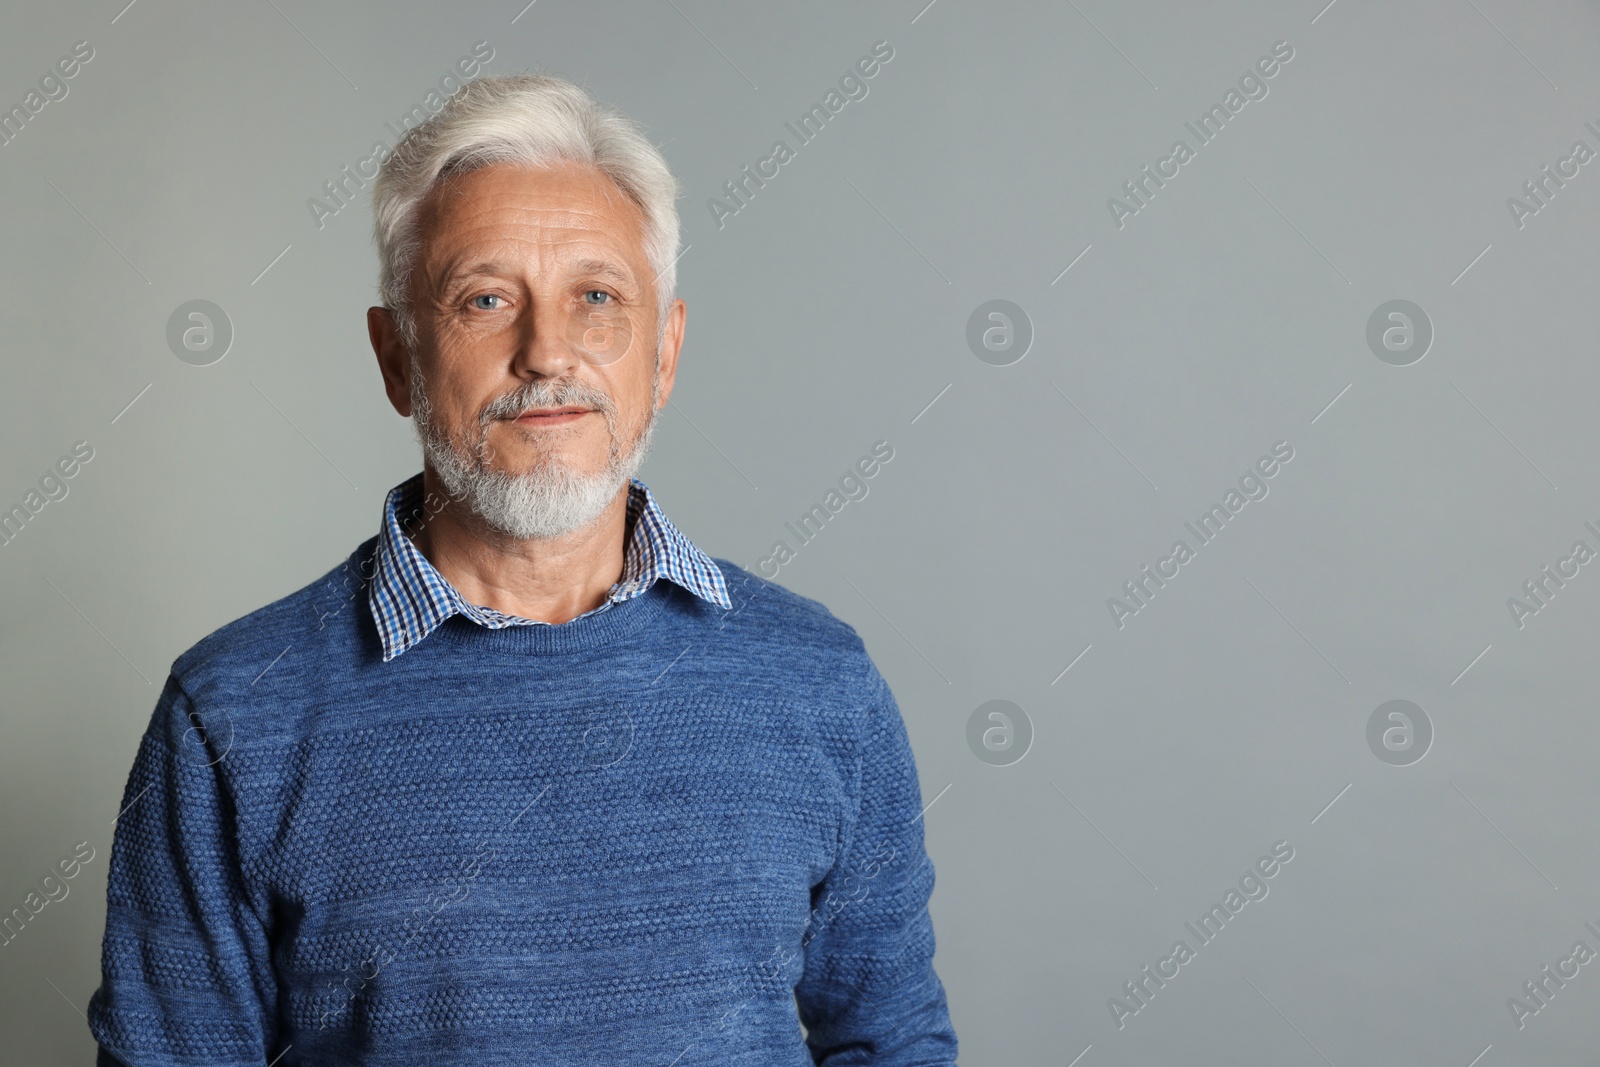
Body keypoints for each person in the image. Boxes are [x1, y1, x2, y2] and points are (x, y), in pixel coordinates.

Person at [87, 72, 957, 1065]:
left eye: (597, 296)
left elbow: (891, 1043)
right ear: (396, 357)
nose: (548, 352)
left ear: (664, 353)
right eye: (484, 299)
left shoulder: (821, 683)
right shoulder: (232, 711)